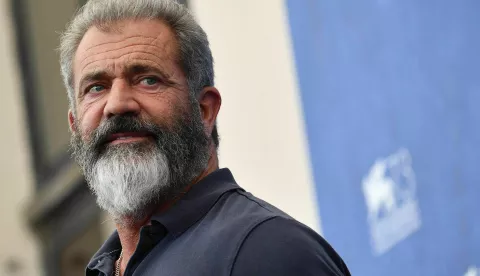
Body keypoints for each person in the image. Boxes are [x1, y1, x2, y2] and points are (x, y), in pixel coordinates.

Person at [60, 0, 351, 275]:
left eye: (148, 79)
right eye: (96, 88)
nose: (117, 104)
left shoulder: (266, 248)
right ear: (74, 125)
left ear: (204, 110)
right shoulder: (108, 266)